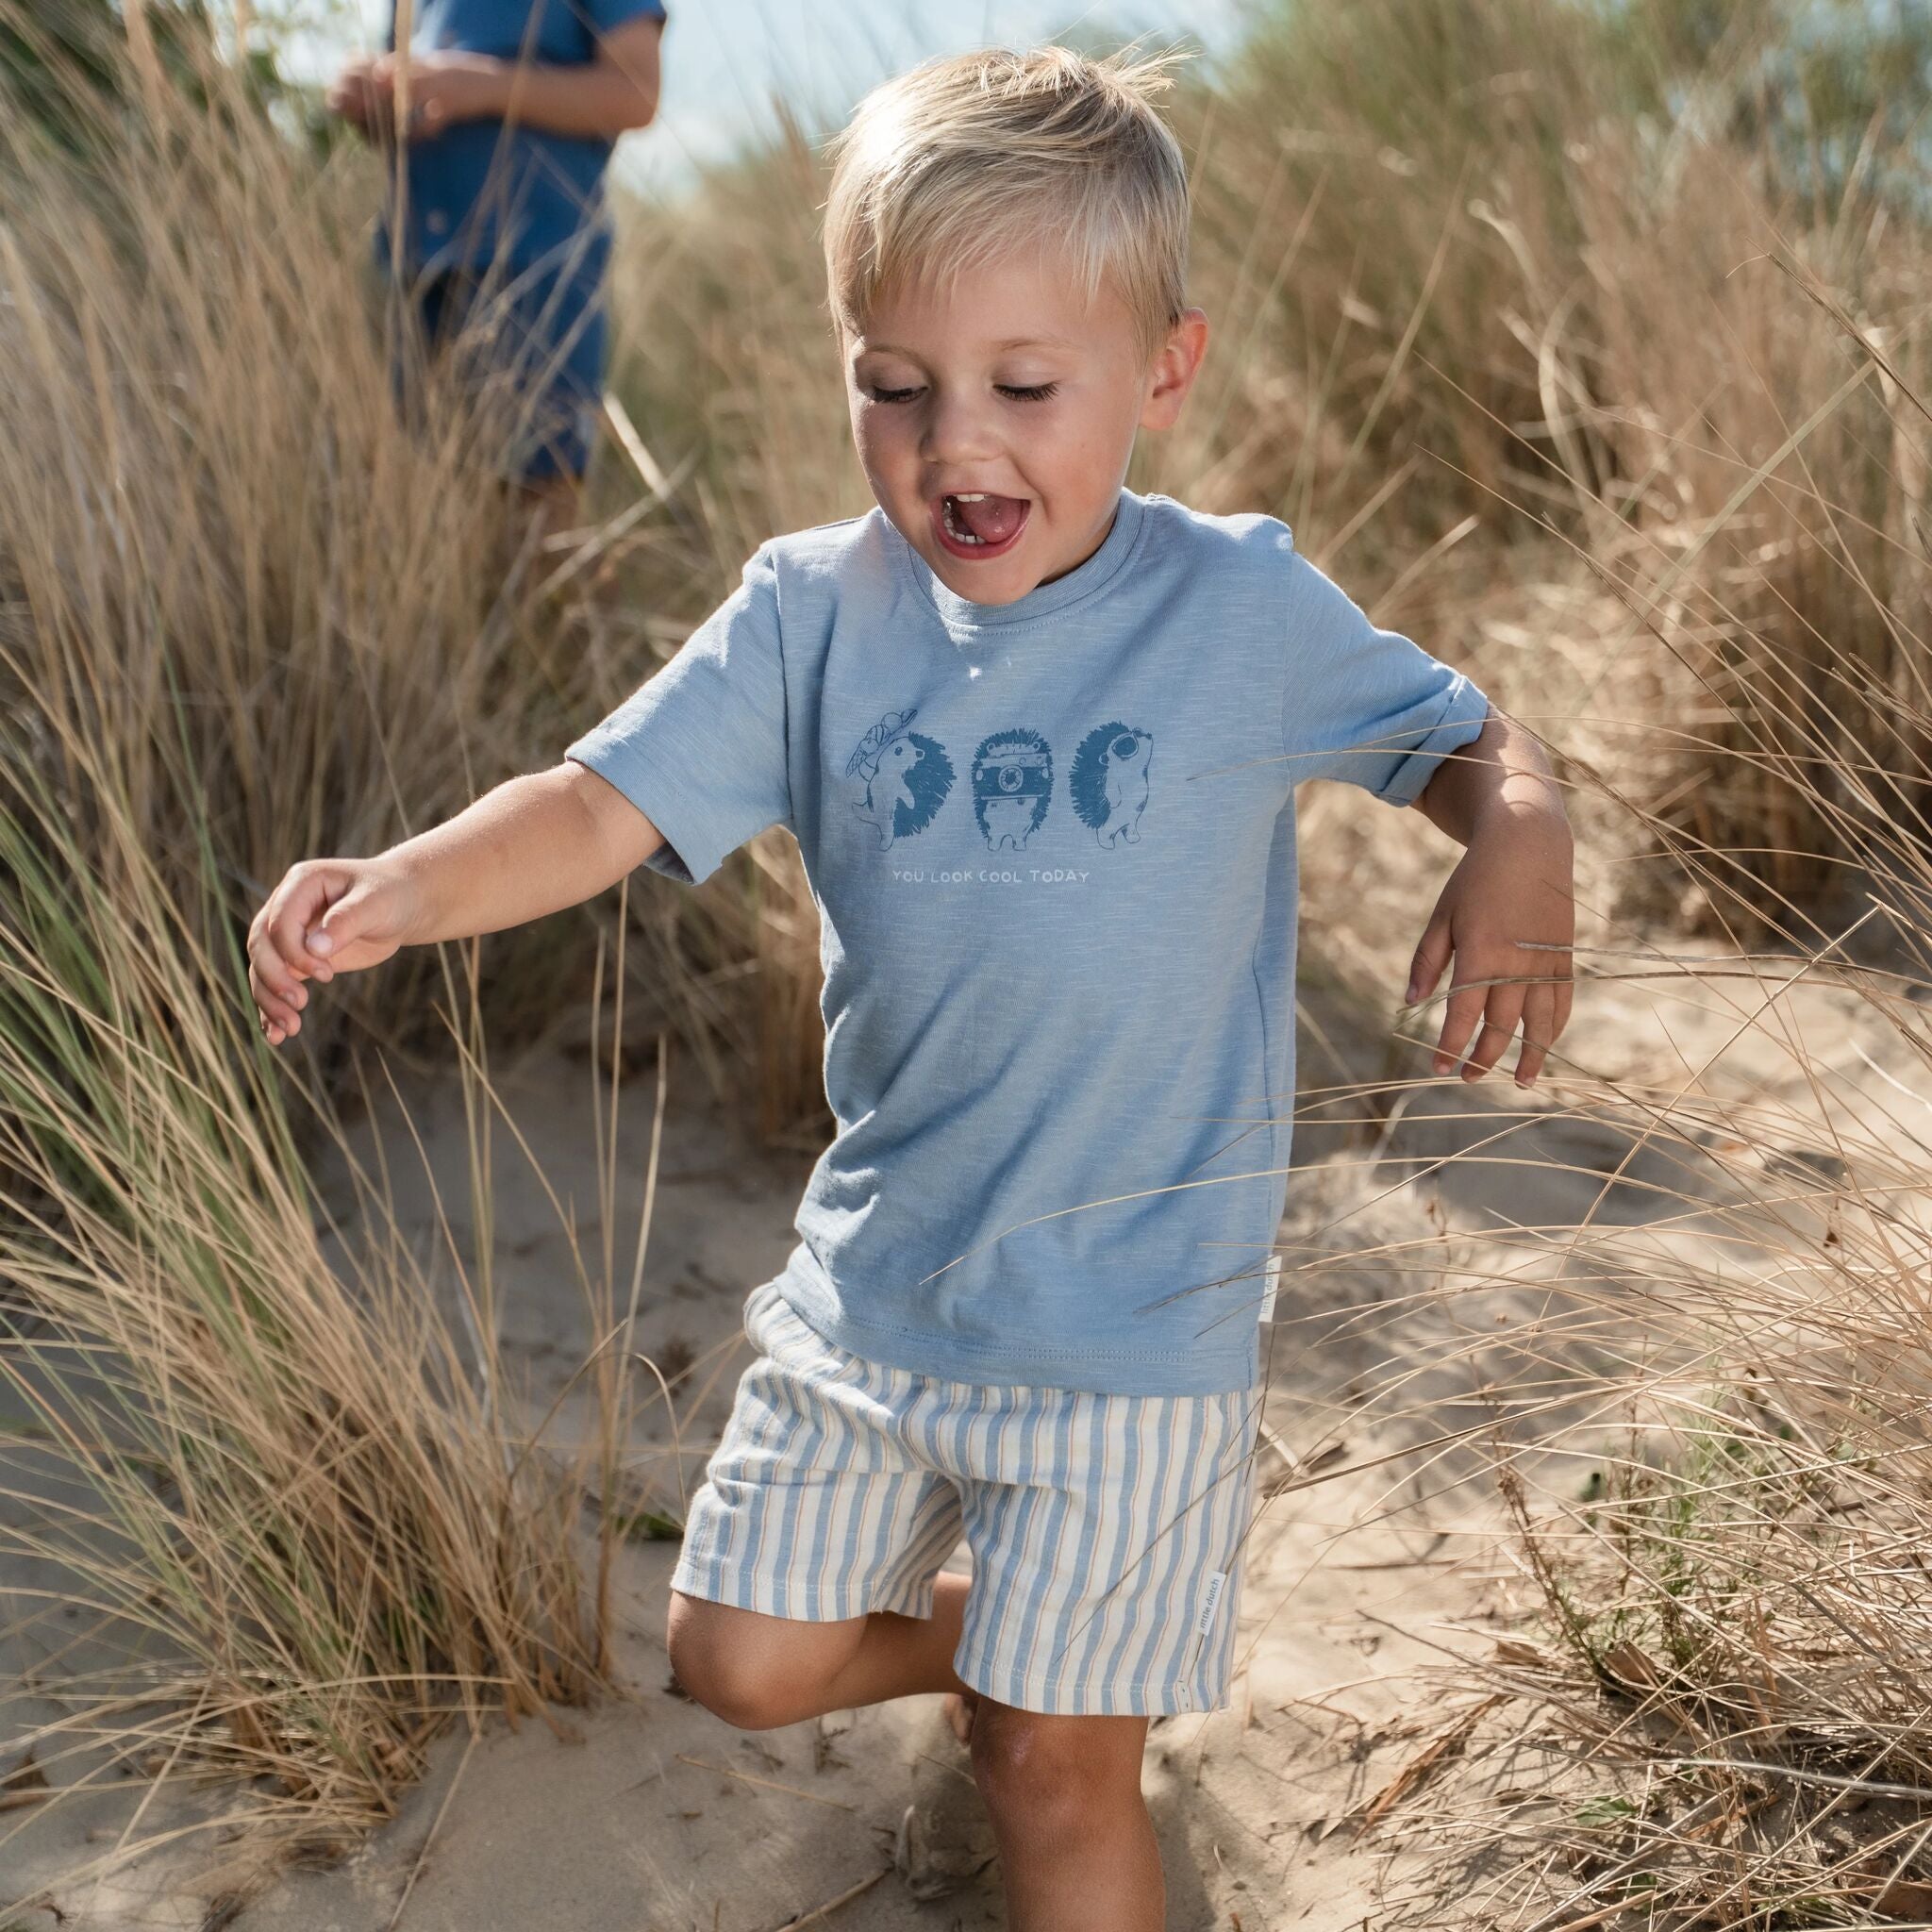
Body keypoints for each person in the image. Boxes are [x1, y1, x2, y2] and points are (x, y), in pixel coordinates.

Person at [247, 44, 1575, 1931]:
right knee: (737, 1656)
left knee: (1046, 1770)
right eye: (894, 385)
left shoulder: (1234, 610)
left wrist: (1519, 827)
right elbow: (595, 803)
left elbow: (1470, 742)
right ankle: (1018, 1636)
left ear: (1163, 371)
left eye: (1025, 388)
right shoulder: (813, 614)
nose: (957, 444)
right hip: (878, 1293)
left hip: (1133, 1319)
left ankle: (1057, 1687)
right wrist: (405, 886)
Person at [325, 0, 667, 533]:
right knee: (425, 502)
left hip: (538, 265)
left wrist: (482, 86)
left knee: (537, 514)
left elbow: (636, 93)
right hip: (413, 265)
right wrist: (372, 97)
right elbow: (405, 108)